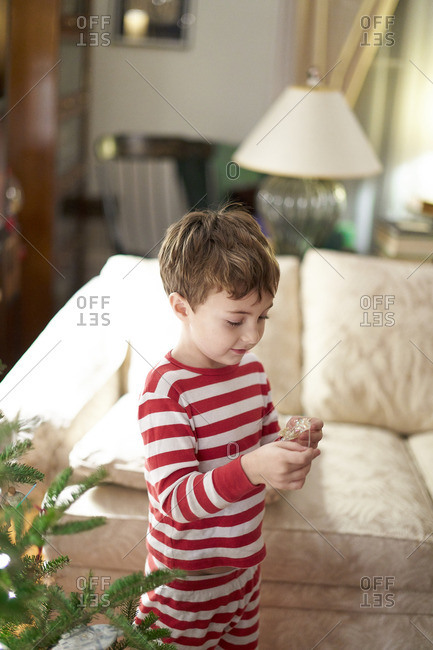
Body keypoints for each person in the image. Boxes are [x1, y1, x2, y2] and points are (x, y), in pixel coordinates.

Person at [134, 205, 323, 649]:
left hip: (244, 571)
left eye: (263, 317)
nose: (253, 334)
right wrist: (254, 466)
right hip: (184, 586)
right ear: (182, 307)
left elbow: (262, 449)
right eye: (236, 320)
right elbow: (177, 500)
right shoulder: (166, 390)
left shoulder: (252, 373)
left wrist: (292, 442)